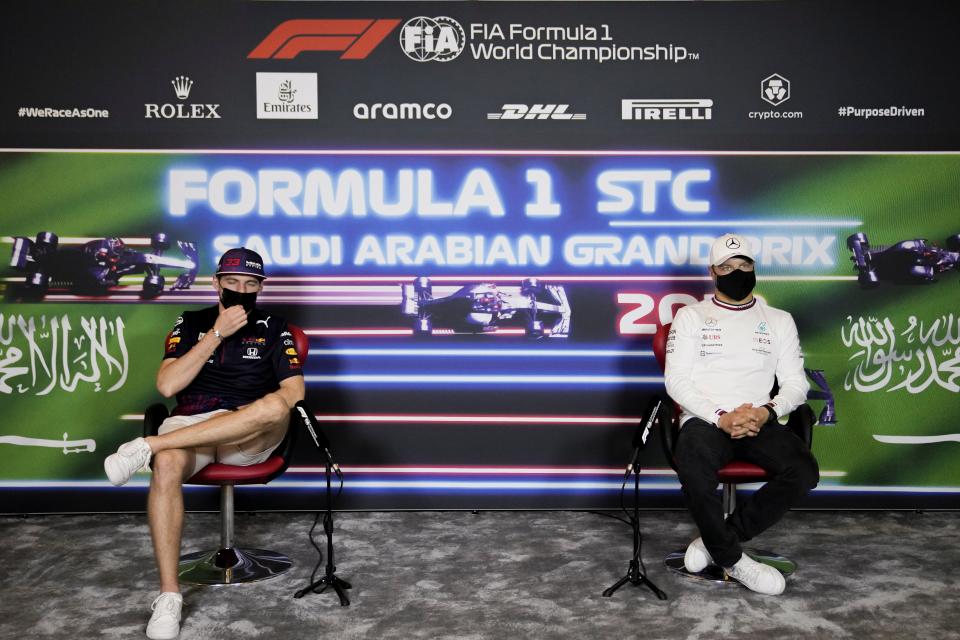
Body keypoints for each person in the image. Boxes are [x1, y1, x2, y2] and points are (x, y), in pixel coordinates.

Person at [104, 247, 304, 639]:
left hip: (248, 431)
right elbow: (167, 385)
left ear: (261, 288)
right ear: (216, 283)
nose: (241, 290)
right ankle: (169, 597)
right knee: (167, 466)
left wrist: (234, 419)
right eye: (232, 283)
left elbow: (295, 394)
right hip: (191, 422)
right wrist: (217, 334)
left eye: (251, 284)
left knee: (275, 406)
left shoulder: (275, 326)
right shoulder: (192, 322)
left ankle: (146, 445)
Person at [664, 233, 819, 595]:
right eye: (727, 267)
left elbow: (797, 384)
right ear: (712, 272)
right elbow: (676, 381)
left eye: (744, 265)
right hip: (705, 419)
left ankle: (716, 542)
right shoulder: (690, 317)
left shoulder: (779, 320)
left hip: (758, 420)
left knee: (804, 470)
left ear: (754, 268)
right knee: (694, 466)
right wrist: (720, 416)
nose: (736, 272)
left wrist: (767, 411)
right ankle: (736, 561)